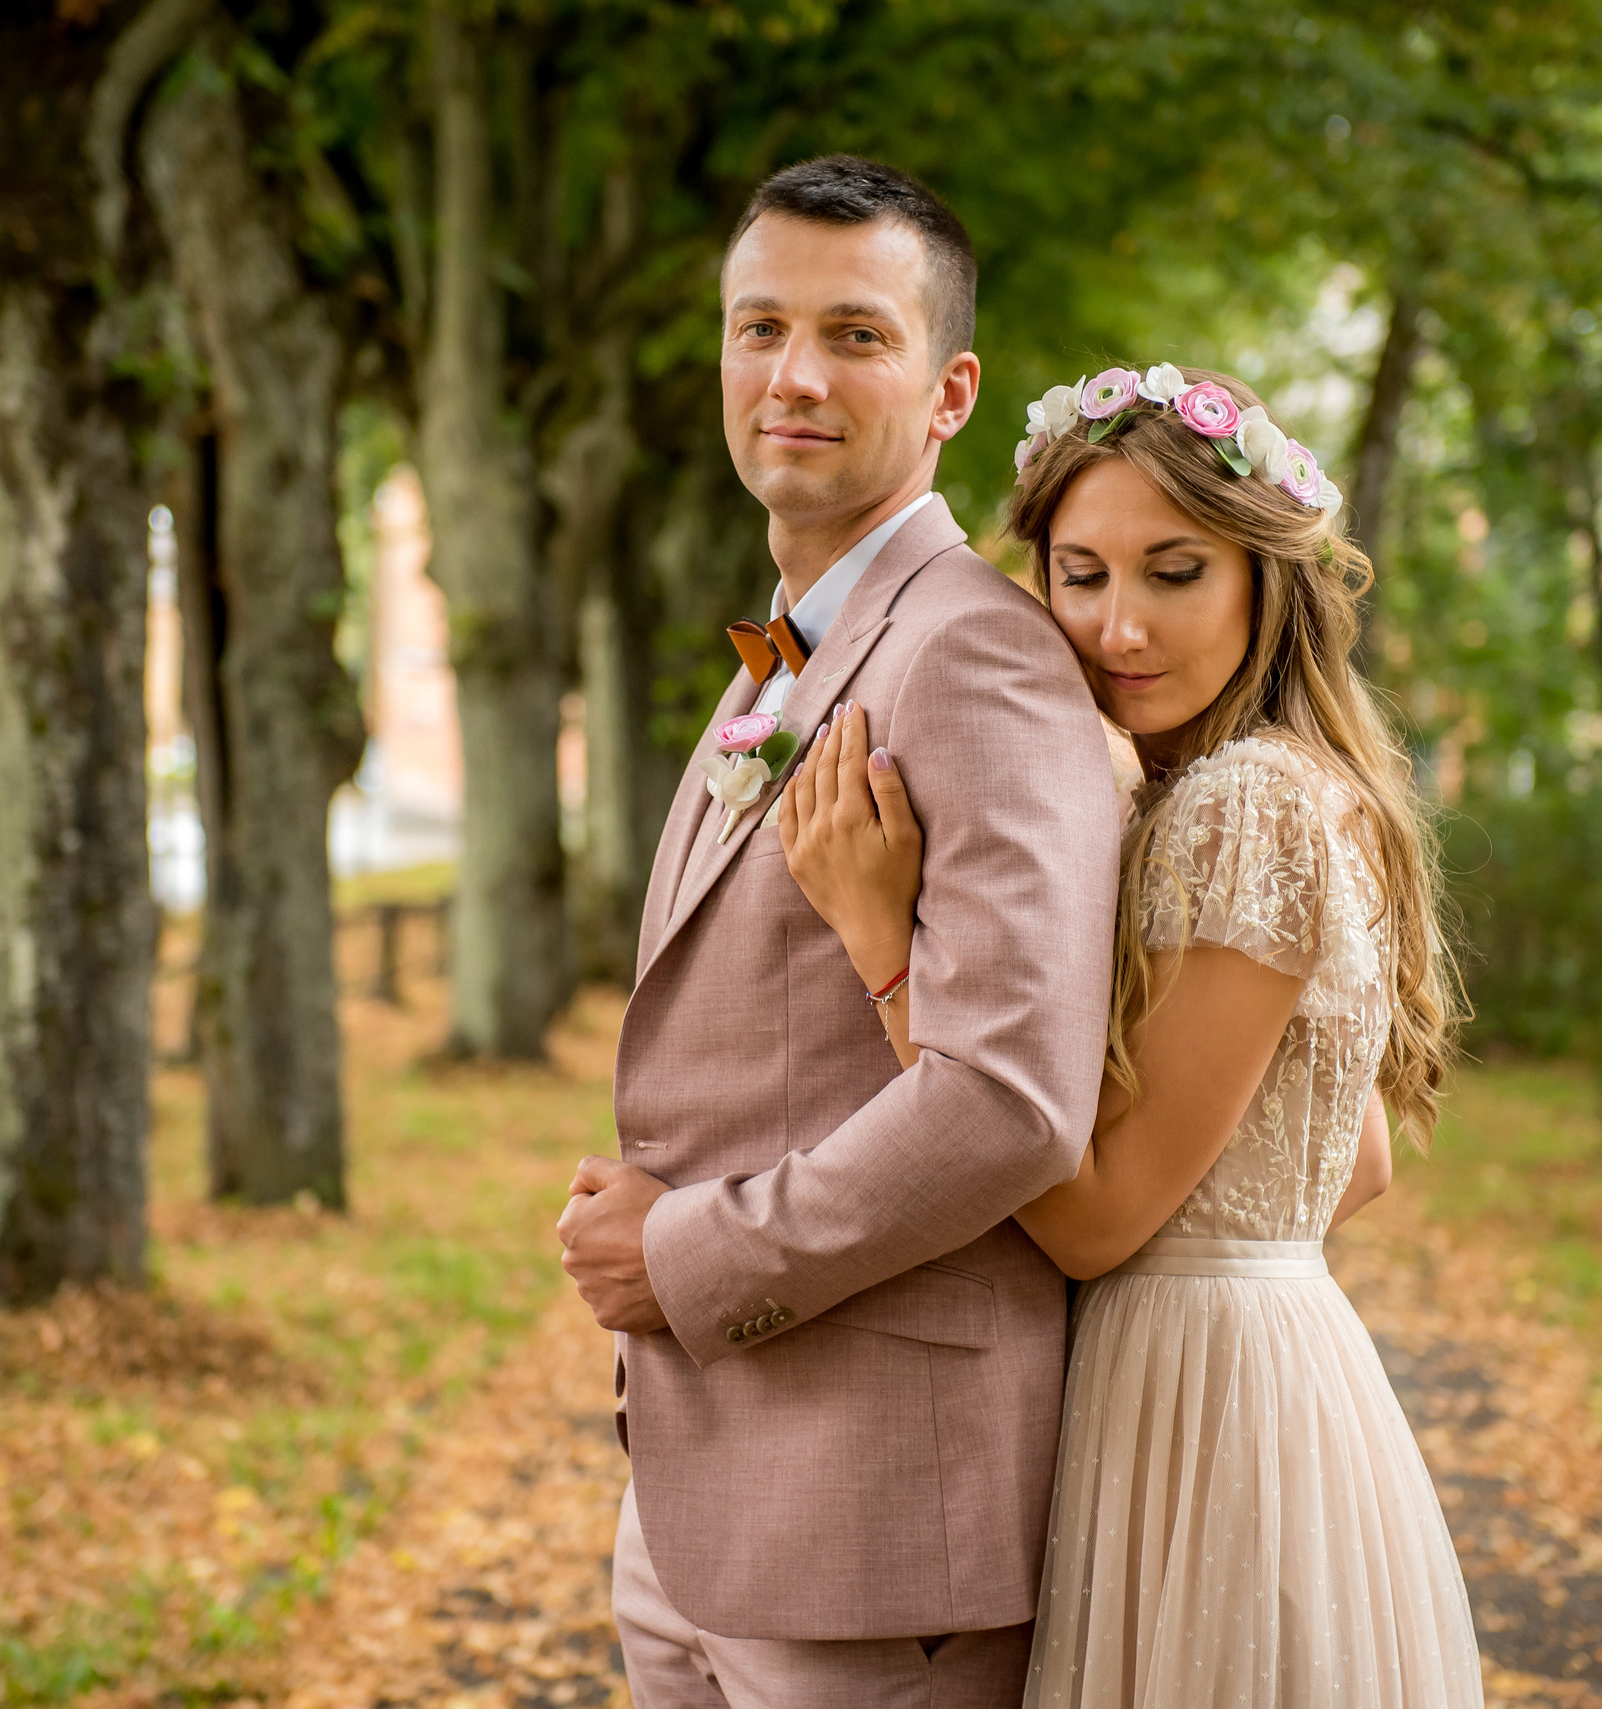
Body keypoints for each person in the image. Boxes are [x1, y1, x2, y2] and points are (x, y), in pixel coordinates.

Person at [781, 361, 1486, 1706]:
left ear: (1263, 580)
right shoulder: (1249, 789)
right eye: (1081, 574)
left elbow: (1096, 1223)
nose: (1119, 627)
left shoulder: (1245, 808)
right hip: (1269, 1372)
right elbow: (1362, 1159)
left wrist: (886, 947)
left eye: (1175, 573)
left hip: (1205, 1402)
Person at [554, 157, 1121, 1707]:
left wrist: (682, 1250)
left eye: (855, 335)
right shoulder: (789, 649)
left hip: (874, 1517)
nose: (792, 376)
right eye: (760, 328)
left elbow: (1012, 1098)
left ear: (949, 393)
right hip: (700, 1491)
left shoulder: (974, 653)